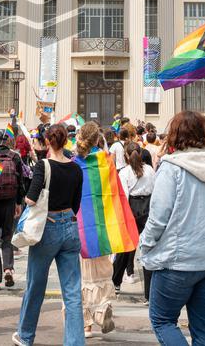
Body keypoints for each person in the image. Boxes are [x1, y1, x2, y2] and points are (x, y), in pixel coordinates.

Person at [139, 110, 205, 345]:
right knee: (203, 325)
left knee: (163, 320)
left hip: (179, 259)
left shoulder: (171, 167)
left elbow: (158, 217)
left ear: (175, 134)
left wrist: (145, 244)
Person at [12, 124, 85, 346]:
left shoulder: (43, 165)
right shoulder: (76, 169)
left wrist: (26, 199)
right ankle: (74, 342)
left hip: (48, 226)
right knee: (72, 291)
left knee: (35, 285)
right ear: (66, 141)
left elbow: (31, 199)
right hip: (70, 225)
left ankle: (25, 335)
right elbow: (76, 203)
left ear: (47, 141)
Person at [75, 122, 119, 337]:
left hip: (80, 223)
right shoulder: (106, 161)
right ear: (98, 140)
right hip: (101, 222)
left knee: (81, 274)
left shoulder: (74, 162)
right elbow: (115, 192)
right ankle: (102, 309)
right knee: (101, 270)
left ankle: (86, 324)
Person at [113, 141, 156, 300]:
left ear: (126, 155)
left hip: (131, 208)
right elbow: (155, 189)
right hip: (148, 208)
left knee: (125, 248)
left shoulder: (124, 172)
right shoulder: (150, 169)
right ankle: (149, 294)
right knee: (148, 250)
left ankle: (116, 283)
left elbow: (124, 195)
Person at [0, 129, 27, 291]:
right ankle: (8, 268)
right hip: (10, 201)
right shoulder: (15, 156)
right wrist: (18, 203)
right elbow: (21, 181)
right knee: (7, 236)